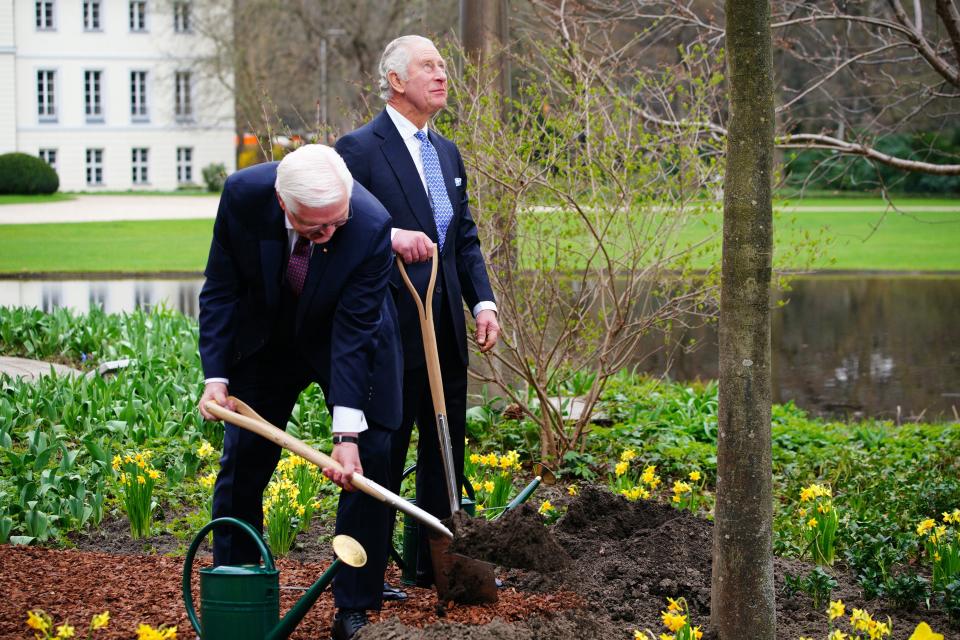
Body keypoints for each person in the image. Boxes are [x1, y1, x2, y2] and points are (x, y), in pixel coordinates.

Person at [196, 144, 402, 640]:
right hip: (267, 339)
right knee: (242, 464)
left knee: (366, 457)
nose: (331, 234)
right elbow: (221, 287)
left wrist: (345, 435)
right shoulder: (243, 195)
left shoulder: (370, 223)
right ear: (282, 203)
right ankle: (240, 588)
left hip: (345, 334)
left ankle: (354, 608)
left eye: (338, 222)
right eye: (317, 227)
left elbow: (354, 334)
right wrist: (217, 380)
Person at [335, 35, 500, 598]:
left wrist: (482, 301)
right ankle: (366, 577)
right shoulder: (358, 150)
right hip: (386, 328)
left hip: (446, 329)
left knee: (444, 446)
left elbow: (464, 239)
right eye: (429, 65)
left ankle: (432, 563)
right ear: (396, 80)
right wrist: (389, 238)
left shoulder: (447, 153)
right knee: (381, 451)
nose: (442, 74)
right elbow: (340, 234)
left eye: (445, 66)